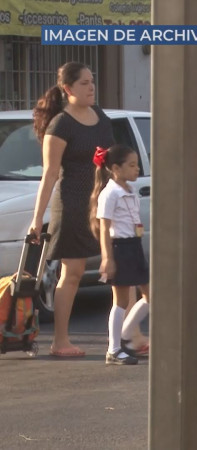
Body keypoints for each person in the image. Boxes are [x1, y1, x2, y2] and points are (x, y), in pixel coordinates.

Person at [30, 62, 114, 358]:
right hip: (72, 205)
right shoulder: (61, 124)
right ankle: (60, 341)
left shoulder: (100, 116)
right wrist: (37, 219)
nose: (92, 88)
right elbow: (50, 174)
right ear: (68, 89)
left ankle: (128, 335)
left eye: (93, 82)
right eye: (84, 84)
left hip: (101, 203)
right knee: (74, 272)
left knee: (122, 269)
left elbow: (109, 159)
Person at [89, 144, 150, 365]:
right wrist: (107, 258)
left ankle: (124, 336)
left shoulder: (129, 190)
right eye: (131, 165)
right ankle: (114, 349)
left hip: (134, 245)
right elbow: (104, 228)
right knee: (121, 300)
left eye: (137, 165)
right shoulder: (110, 193)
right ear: (115, 168)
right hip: (120, 248)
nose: (137, 169)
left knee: (151, 296)